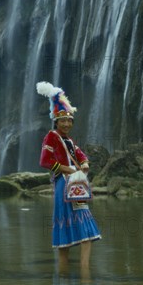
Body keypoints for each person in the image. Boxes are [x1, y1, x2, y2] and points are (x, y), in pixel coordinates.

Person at [37, 81, 101, 274]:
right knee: (71, 233)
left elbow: (80, 154)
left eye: (69, 120)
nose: (66, 123)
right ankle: (76, 275)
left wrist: (85, 164)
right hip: (63, 186)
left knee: (86, 230)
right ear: (55, 120)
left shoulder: (69, 140)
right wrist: (69, 169)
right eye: (62, 120)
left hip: (74, 186)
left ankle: (78, 272)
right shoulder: (51, 137)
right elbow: (45, 160)